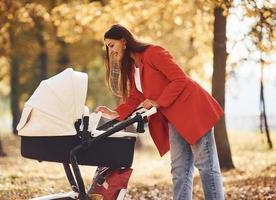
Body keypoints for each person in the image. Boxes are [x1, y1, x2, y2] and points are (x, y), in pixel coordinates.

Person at [95, 24, 225, 200]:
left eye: (111, 45)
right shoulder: (134, 67)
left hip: (193, 110)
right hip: (174, 118)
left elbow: (179, 79)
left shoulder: (153, 53)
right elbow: (135, 97)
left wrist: (158, 101)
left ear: (124, 41)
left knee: (206, 166)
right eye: (107, 47)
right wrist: (114, 113)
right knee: (179, 169)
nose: (110, 51)